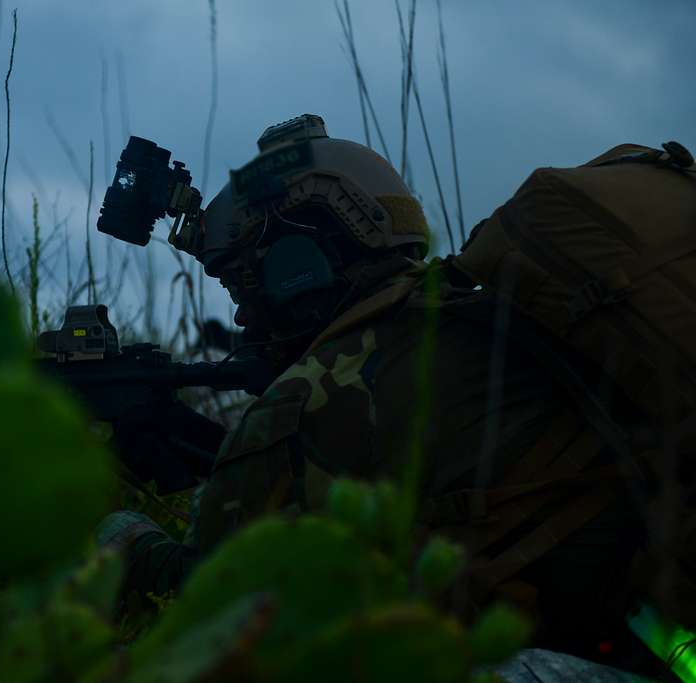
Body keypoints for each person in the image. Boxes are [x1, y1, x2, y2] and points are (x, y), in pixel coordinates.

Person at [98, 114, 665, 678]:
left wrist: (118, 536)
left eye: (243, 281)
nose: (242, 313)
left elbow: (210, 600)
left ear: (300, 266)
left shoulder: (313, 392)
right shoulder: (473, 314)